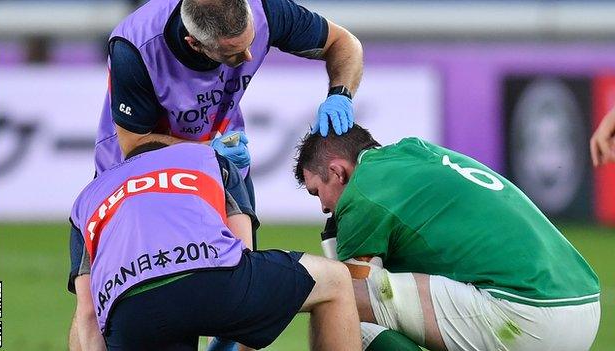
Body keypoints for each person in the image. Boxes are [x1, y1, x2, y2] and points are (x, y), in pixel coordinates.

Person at [294, 125, 601, 351]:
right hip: (584, 304)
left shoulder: (363, 190)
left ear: (337, 172)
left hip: (531, 314)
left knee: (336, 303)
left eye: (316, 191)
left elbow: (348, 285)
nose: (323, 206)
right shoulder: (414, 151)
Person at [68, 142, 361, 350]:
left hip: (131, 314)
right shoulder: (206, 157)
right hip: (212, 284)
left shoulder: (87, 199)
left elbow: (87, 314)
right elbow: (243, 253)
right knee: (334, 280)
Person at [95, 0, 362, 174]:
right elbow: (134, 142)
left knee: (242, 260)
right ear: (195, 44)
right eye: (233, 53)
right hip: (135, 172)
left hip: (226, 158)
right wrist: (207, 151)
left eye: (251, 41)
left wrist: (340, 95)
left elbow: (344, 43)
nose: (248, 57)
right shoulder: (135, 47)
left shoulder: (265, 10)